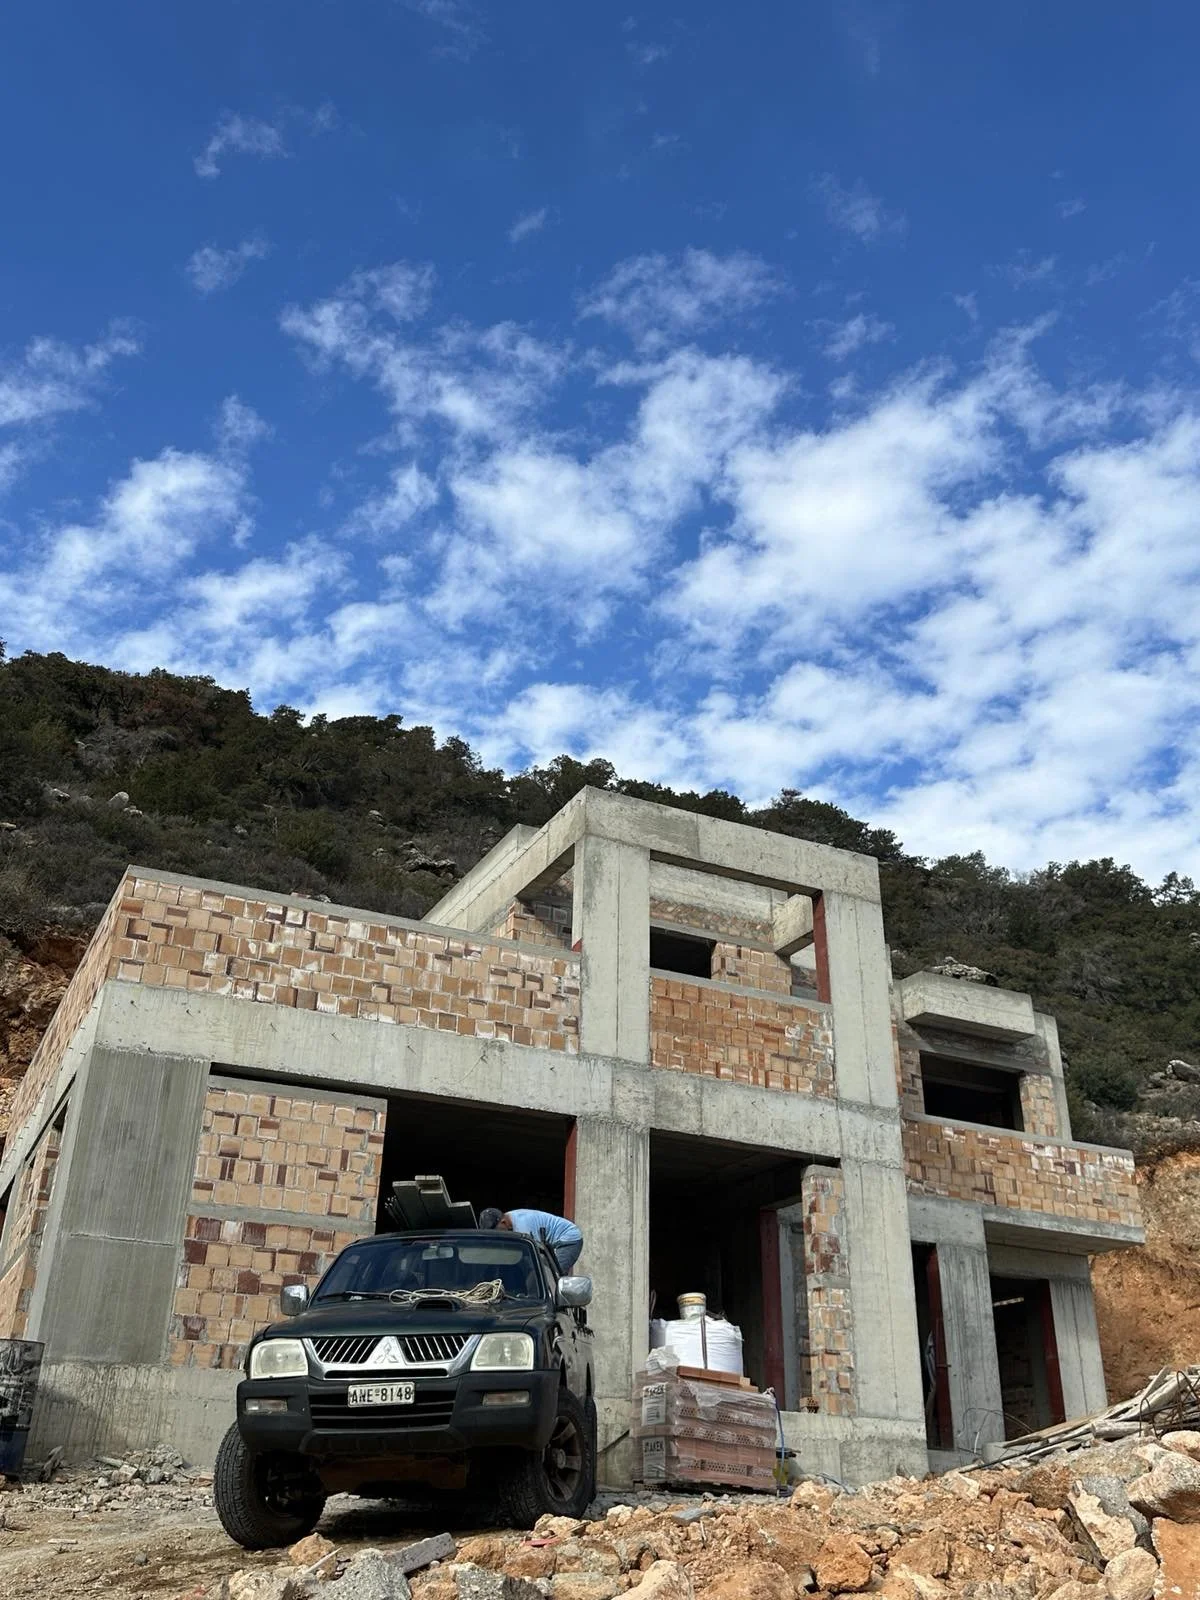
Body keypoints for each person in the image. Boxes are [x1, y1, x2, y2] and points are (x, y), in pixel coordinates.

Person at [480, 1206, 583, 1275]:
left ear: (503, 1222)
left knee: (552, 1276)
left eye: (497, 1232)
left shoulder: (523, 1227)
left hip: (569, 1239)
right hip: (552, 1241)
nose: (497, 1236)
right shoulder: (508, 1220)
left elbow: (536, 1253)